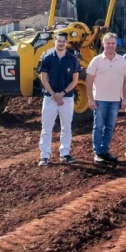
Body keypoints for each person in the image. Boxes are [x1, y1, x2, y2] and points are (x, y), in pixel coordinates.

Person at [86, 32, 126, 164]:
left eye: (113, 43)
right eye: (108, 43)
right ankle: (97, 153)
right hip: (100, 100)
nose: (110, 45)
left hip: (115, 101)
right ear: (103, 44)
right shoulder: (96, 60)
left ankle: (105, 151)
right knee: (98, 127)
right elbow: (89, 80)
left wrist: (124, 98)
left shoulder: (122, 60)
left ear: (116, 44)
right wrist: (91, 99)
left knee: (110, 127)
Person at [38, 33, 80, 166]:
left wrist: (62, 93)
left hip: (66, 98)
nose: (61, 43)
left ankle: (65, 153)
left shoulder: (73, 59)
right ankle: (45, 156)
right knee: (46, 127)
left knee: (66, 127)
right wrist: (54, 95)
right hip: (50, 98)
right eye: (59, 41)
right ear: (54, 42)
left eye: (63, 41)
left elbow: (75, 80)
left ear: (66, 43)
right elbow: (43, 79)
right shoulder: (47, 58)